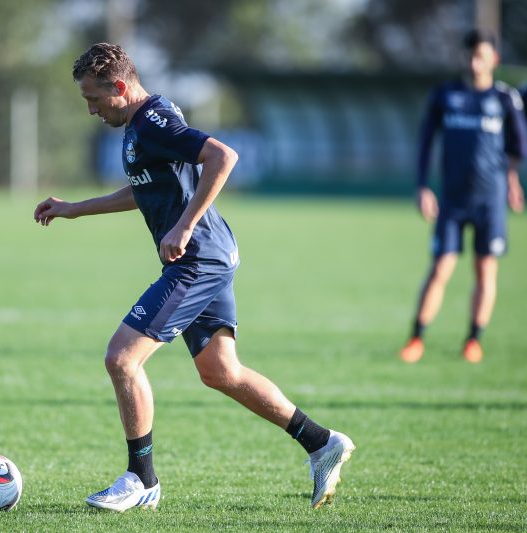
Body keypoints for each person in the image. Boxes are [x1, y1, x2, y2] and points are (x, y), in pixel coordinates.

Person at [34, 43, 354, 511]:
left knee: (122, 358)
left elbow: (223, 156)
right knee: (221, 372)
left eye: (94, 99)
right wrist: (75, 209)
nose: (91, 110)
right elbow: (145, 189)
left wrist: (183, 226)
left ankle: (141, 480)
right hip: (210, 255)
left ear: (119, 87)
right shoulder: (139, 125)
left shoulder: (153, 121)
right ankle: (321, 443)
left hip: (197, 259)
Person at [400, 30, 527, 364]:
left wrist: (511, 180)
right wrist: (422, 186)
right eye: (470, 56)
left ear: (494, 59)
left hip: (490, 200)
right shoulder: (446, 95)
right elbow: (426, 143)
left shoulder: (504, 98)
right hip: (453, 200)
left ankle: (473, 340)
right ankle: (416, 337)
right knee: (441, 267)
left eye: (481, 57)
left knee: (485, 270)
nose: (474, 63)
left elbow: (518, 146)